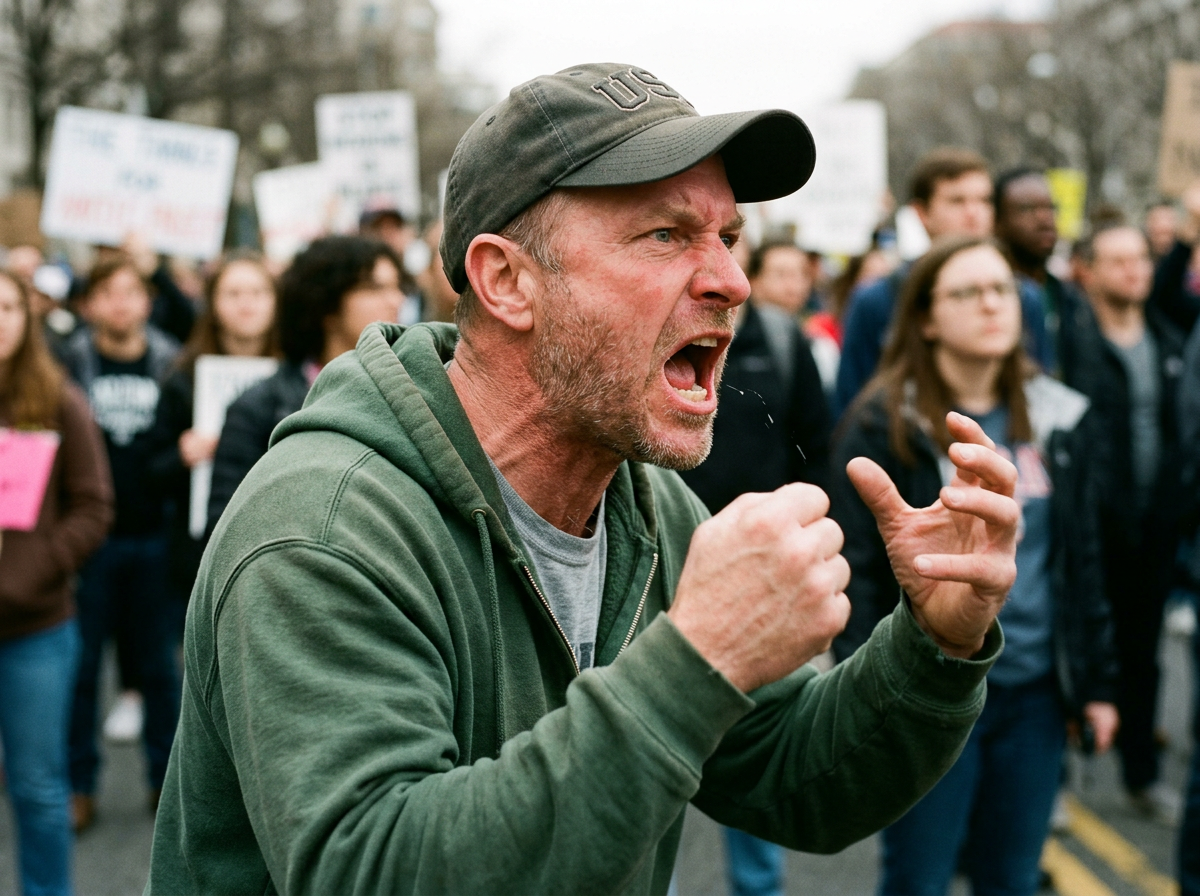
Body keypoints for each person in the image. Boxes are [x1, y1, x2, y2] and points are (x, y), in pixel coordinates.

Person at [148, 63, 1021, 894]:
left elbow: (791, 774)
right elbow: (376, 868)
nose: (731, 281)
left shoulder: (643, 504)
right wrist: (699, 657)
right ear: (507, 282)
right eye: (665, 236)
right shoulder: (324, 528)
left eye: (727, 237)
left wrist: (935, 644)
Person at [829, 235, 1119, 894]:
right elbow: (860, 573)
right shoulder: (883, 425)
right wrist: (871, 702)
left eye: (1002, 290)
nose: (992, 304)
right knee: (919, 879)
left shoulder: (1060, 417)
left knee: (1012, 878)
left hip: (1035, 695)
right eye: (968, 292)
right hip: (930, 695)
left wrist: (1098, 685)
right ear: (927, 318)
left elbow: (1084, 563)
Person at [679, 243, 834, 896]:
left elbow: (815, 444)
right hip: (668, 562)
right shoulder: (662, 334)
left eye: (732, 239)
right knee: (646, 758)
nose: (726, 276)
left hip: (759, 572)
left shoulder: (782, 339)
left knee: (755, 739)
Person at [0, 270, 114, 896]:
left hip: (35, 631)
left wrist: (35, 570)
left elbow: (94, 507)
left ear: (27, 316)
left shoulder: (58, 400)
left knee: (38, 789)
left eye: (8, 307)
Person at [59, 254, 181, 832]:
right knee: (82, 670)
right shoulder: (69, 364)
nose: (121, 303)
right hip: (90, 543)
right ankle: (78, 786)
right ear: (89, 305)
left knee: (159, 669)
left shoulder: (169, 362)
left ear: (148, 301)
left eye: (132, 291)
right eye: (108, 293)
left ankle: (166, 782)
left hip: (152, 535)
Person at [1072, 223, 1187, 824]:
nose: (1133, 270)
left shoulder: (1168, 341)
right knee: (1082, 647)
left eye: (1141, 258)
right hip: (1090, 527)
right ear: (1088, 270)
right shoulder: (1073, 342)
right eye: (1117, 260)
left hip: (1154, 527)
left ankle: (1140, 775)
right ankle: (1064, 781)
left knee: (1144, 655)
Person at [205, 236, 402, 532]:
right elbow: (226, 528)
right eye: (375, 288)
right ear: (328, 304)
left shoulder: (407, 394)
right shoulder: (257, 408)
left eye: (398, 286)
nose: (395, 300)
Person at [834, 148, 1048, 417]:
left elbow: (1040, 396)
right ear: (922, 213)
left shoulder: (1023, 295)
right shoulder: (877, 299)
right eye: (957, 201)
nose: (974, 213)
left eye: (984, 200)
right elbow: (851, 406)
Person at [146, 252, 279, 634]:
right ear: (213, 304)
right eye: (233, 293)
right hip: (197, 557)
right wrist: (181, 456)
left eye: (257, 292)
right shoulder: (183, 379)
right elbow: (149, 472)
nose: (246, 303)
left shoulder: (301, 377)